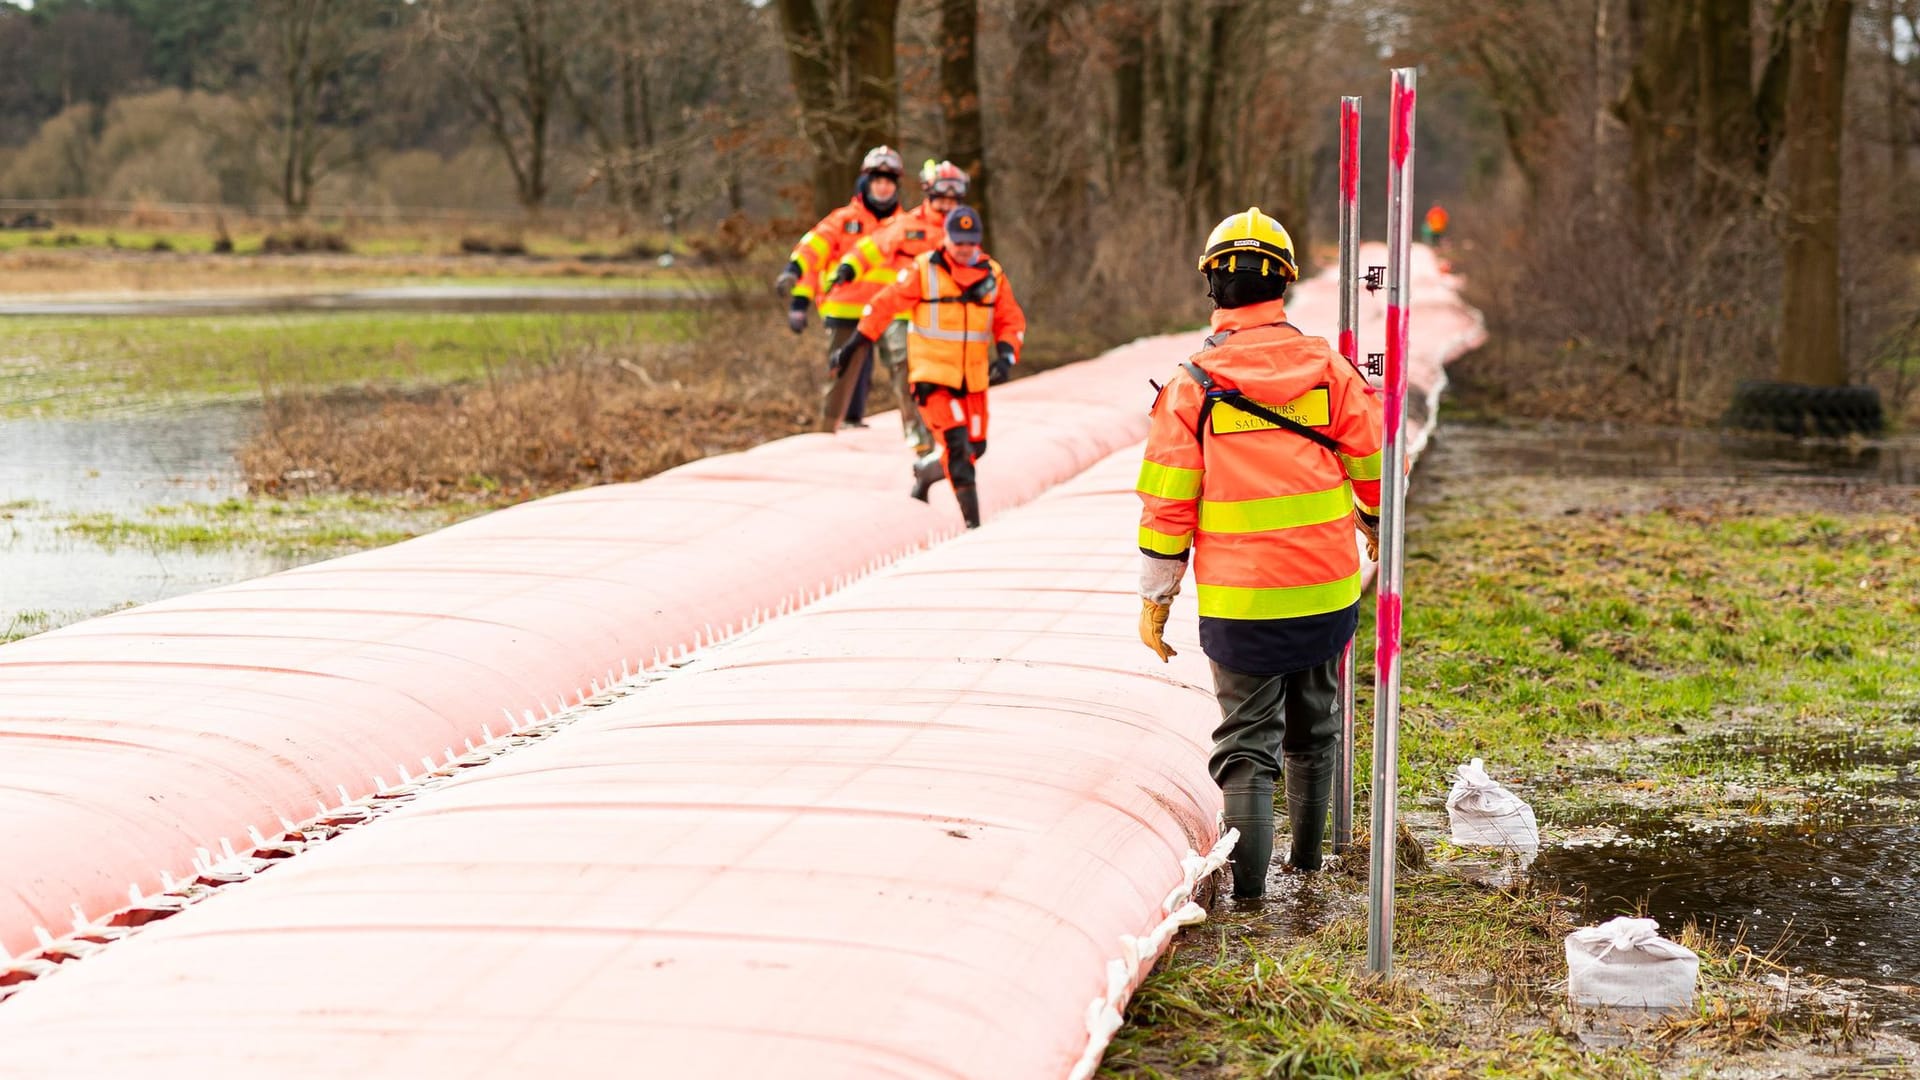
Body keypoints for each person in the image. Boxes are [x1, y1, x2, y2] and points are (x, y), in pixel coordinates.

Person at [1133, 207, 1384, 900]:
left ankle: (1249, 901)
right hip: (1325, 589)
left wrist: (1156, 598)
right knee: (1316, 725)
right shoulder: (1327, 369)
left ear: (1213, 288)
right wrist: (1373, 522)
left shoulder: (1190, 386)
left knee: (1247, 744)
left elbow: (1168, 505)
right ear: (1287, 285)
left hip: (1242, 601)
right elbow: (1370, 461)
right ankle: (1308, 876)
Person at [829, 206, 1024, 529]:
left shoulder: (993, 275)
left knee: (975, 446)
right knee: (959, 448)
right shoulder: (924, 271)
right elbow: (885, 304)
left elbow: (1010, 319)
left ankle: (927, 471)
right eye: (958, 241)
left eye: (970, 242)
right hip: (931, 376)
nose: (963, 249)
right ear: (945, 238)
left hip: (972, 378)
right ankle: (974, 527)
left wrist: (1006, 355)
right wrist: (854, 345)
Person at [827, 160, 970, 457]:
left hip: (947, 318)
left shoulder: (963, 230)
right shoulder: (907, 226)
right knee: (905, 368)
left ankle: (949, 429)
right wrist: (848, 268)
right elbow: (871, 247)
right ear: (929, 195)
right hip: (905, 315)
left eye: (952, 201)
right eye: (941, 199)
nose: (946, 207)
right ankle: (918, 433)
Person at [776, 145, 903, 432]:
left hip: (888, 309)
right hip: (846, 307)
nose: (882, 188)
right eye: (877, 181)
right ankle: (830, 429)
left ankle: (912, 431)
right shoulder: (844, 220)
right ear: (866, 183)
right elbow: (813, 249)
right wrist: (794, 280)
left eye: (888, 182)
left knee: (900, 367)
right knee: (844, 370)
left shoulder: (903, 226)